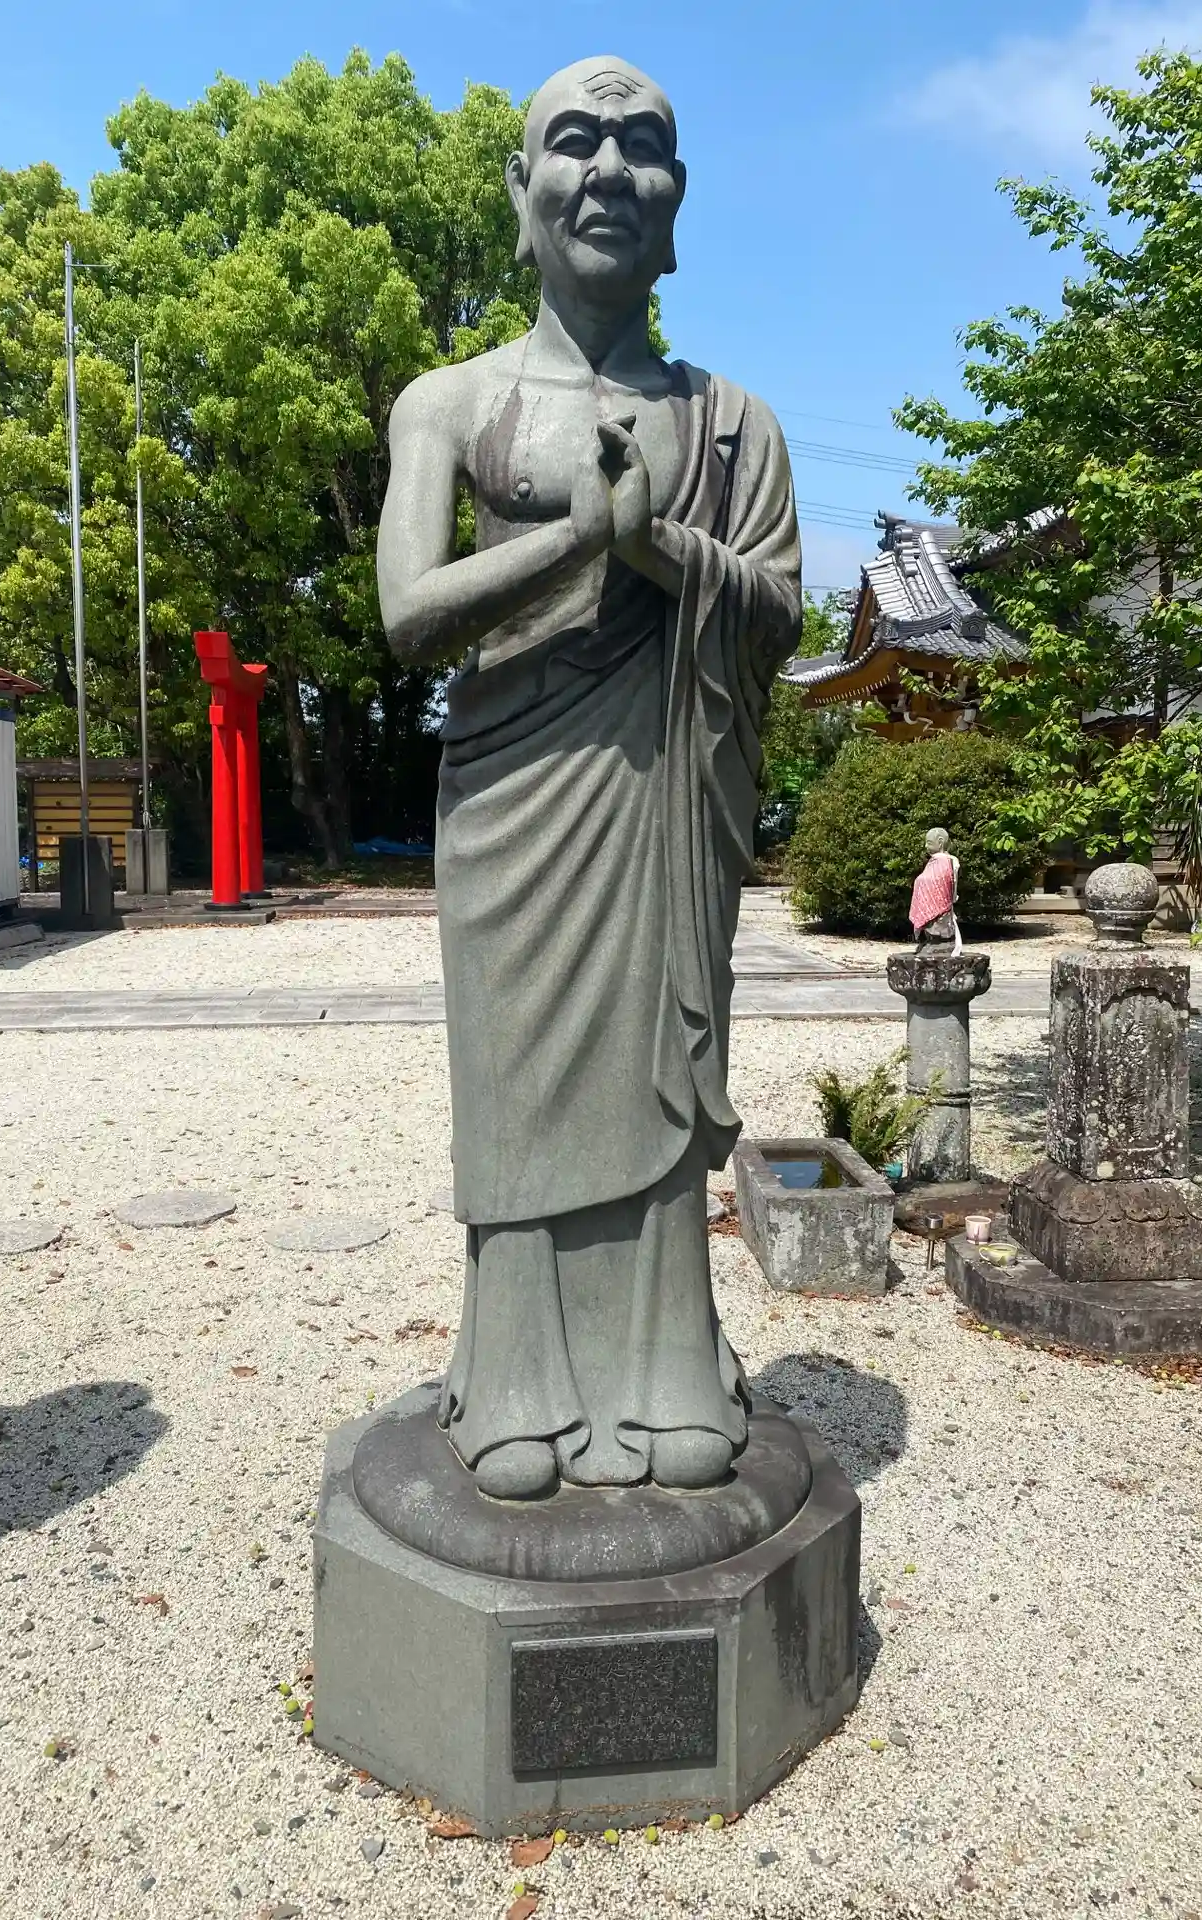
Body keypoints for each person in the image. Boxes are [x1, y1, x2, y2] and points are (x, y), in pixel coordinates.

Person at [376, 57, 802, 1499]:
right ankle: (512, 1374)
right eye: (576, 141)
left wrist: (655, 544)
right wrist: (574, 537)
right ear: (524, 190)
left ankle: (669, 1362)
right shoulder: (451, 401)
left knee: (656, 1073)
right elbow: (407, 613)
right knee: (518, 1083)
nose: (610, 171)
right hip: (515, 802)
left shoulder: (733, 421)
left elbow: (780, 613)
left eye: (643, 146)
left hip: (663, 796)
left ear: (678, 199)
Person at [910, 827, 962, 958]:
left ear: (940, 842)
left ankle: (941, 943)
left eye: (929, 842)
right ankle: (927, 941)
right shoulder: (933, 861)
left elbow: (952, 880)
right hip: (928, 902)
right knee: (930, 927)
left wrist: (953, 897)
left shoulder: (949, 860)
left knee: (939, 927)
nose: (925, 846)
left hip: (942, 905)